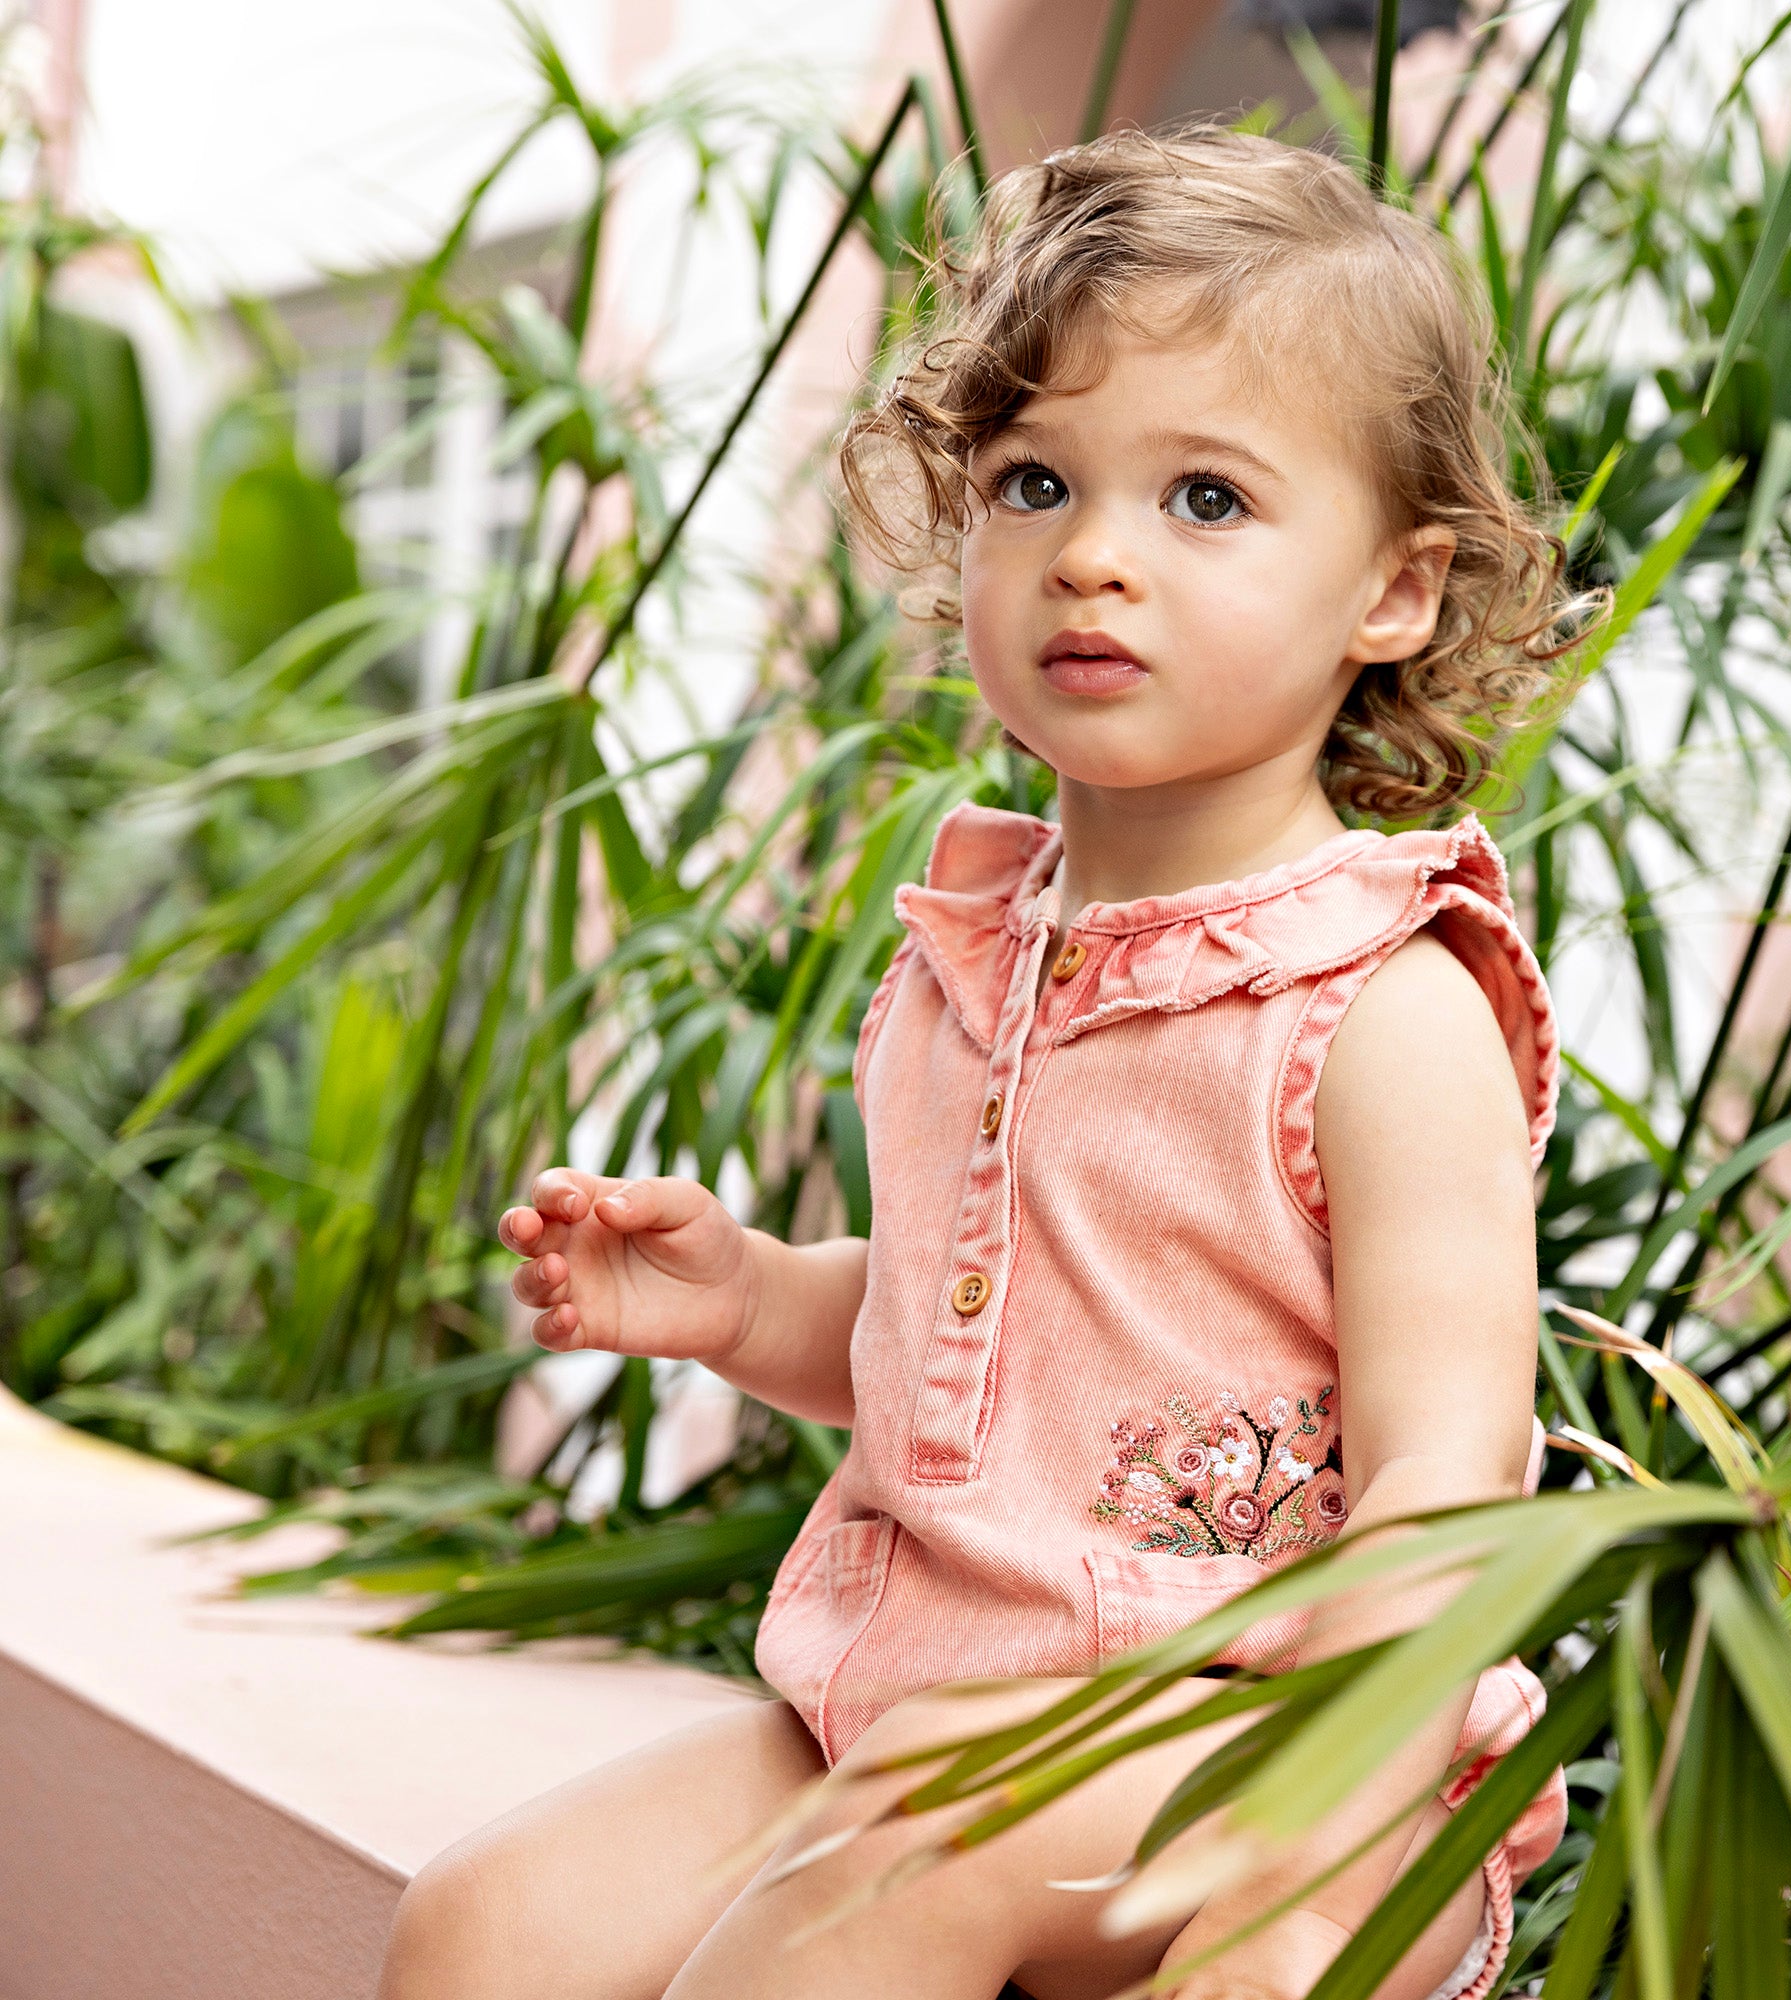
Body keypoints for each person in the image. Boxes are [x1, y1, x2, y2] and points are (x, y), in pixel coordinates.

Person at [381, 125, 1582, 2000]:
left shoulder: (1386, 1001)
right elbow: (1001, 1355)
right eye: (1037, 481)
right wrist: (753, 1301)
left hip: (1271, 1771)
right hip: (923, 1719)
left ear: (1396, 594)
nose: (1094, 555)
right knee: (487, 1931)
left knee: (900, 1863)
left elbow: (1455, 1452)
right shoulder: (974, 960)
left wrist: (1332, 1727)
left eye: (1205, 500)